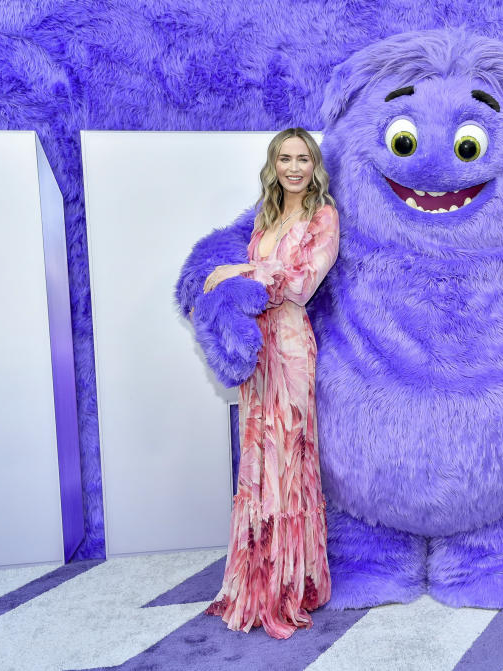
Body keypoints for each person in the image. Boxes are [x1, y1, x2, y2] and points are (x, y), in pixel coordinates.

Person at [201, 127, 338, 638]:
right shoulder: (267, 218)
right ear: (274, 164)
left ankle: (290, 585)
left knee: (290, 461)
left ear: (315, 165)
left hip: (292, 350)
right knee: (258, 462)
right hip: (257, 351)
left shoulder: (324, 217)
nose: (296, 167)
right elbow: (261, 285)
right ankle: (256, 581)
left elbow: (300, 285)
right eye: (286, 158)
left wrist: (242, 268)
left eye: (304, 158)